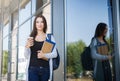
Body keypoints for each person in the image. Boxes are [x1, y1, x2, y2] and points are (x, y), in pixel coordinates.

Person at [24, 15, 57, 81]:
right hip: (32, 69)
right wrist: (27, 47)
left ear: (44, 24)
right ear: (35, 24)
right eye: (37, 22)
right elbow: (26, 56)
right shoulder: (30, 37)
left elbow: (55, 54)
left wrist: (44, 55)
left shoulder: (50, 37)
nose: (39, 24)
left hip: (45, 69)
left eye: (42, 22)